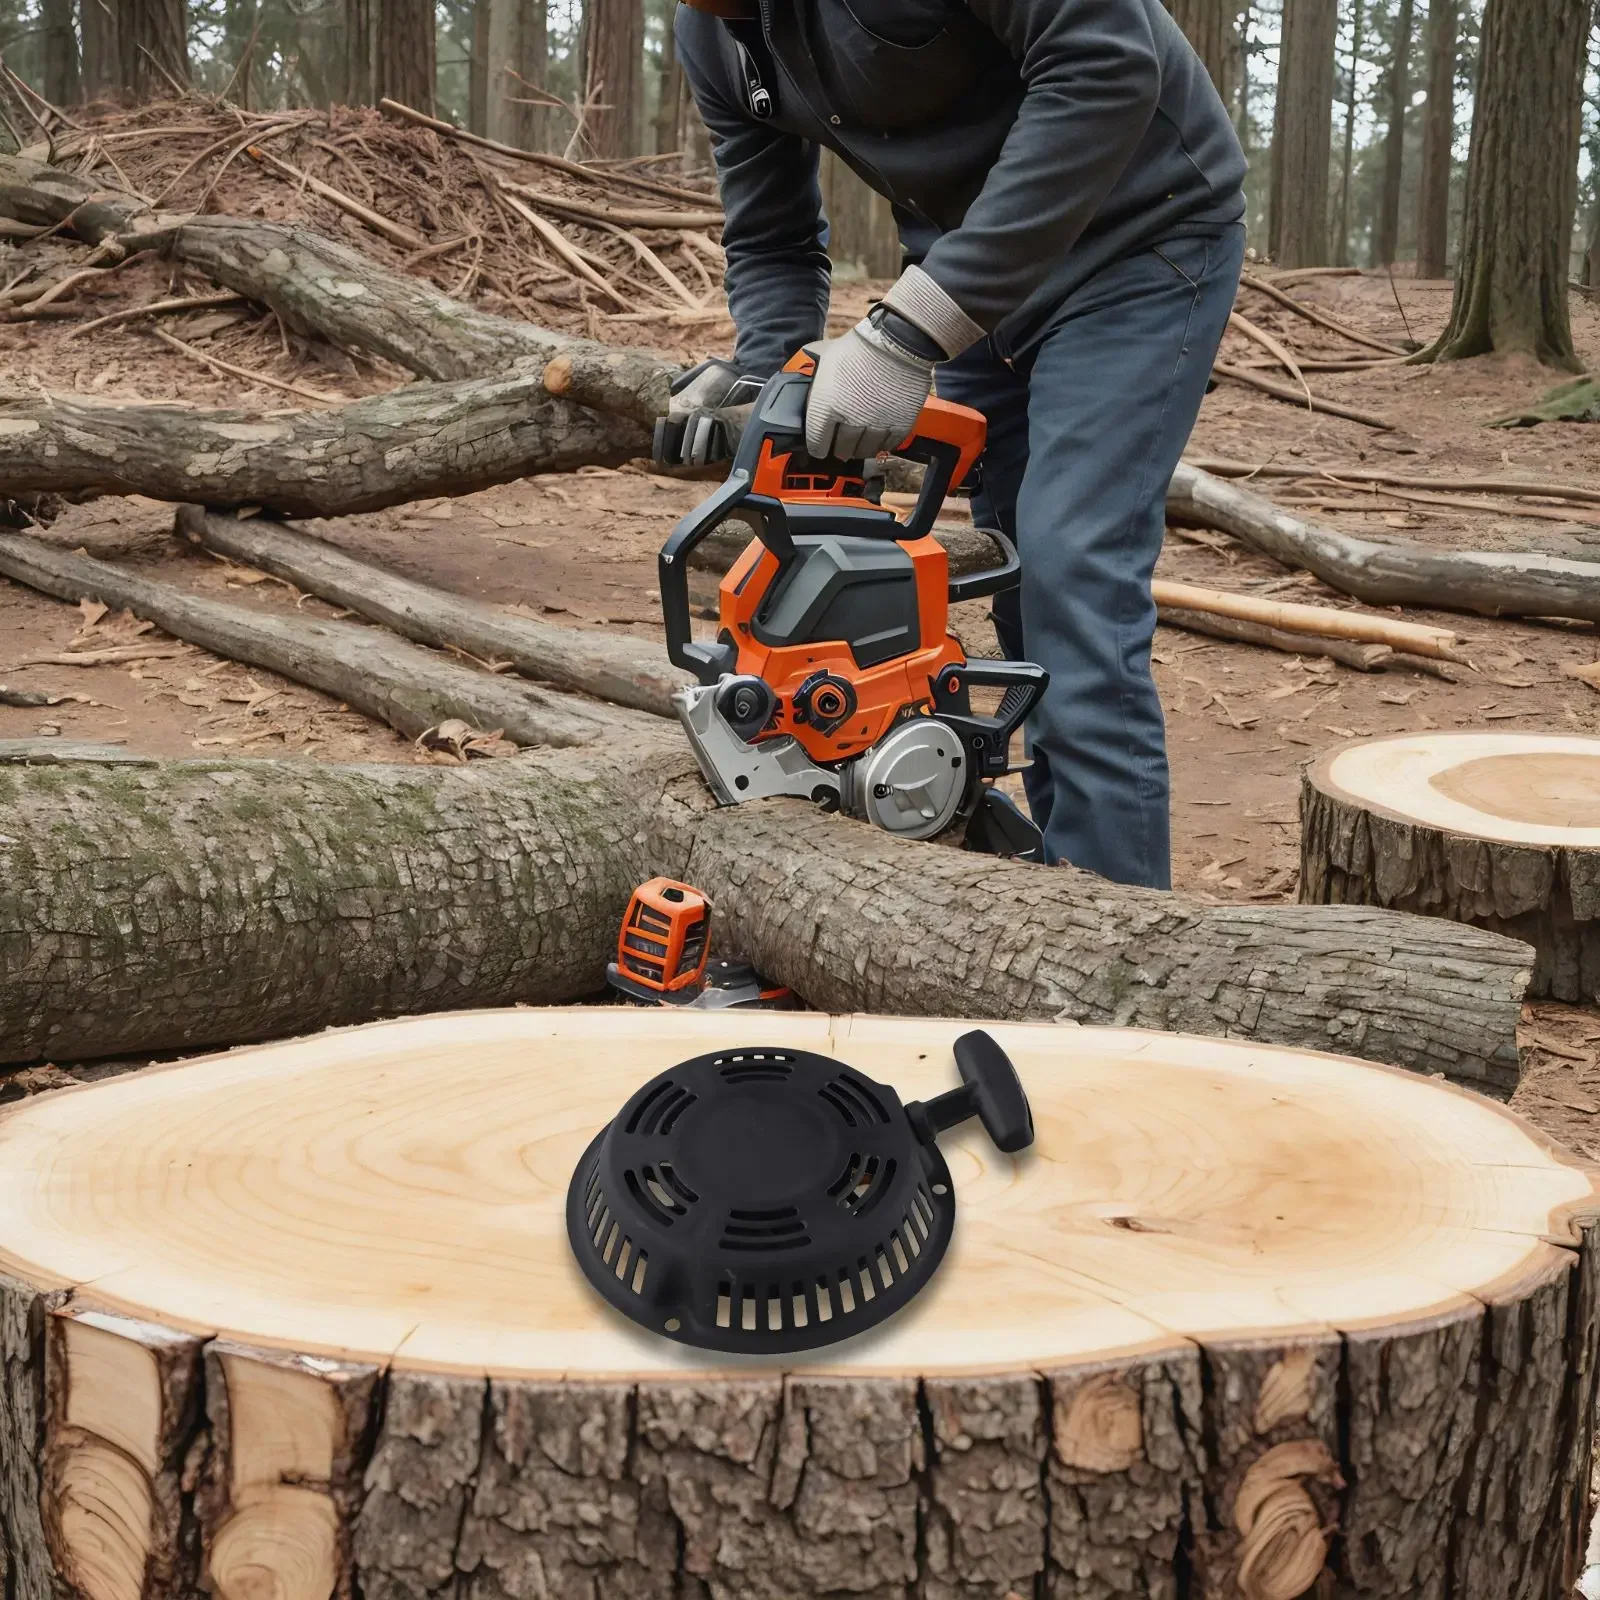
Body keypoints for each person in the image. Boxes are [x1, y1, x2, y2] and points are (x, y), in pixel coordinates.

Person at [658, 0, 1247, 889]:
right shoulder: (716, 37)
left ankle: (1120, 944)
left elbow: (1108, 64)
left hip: (1139, 239)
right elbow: (772, 234)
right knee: (1014, 582)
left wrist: (907, 335)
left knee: (1072, 571)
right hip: (976, 276)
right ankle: (1045, 884)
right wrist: (759, 372)